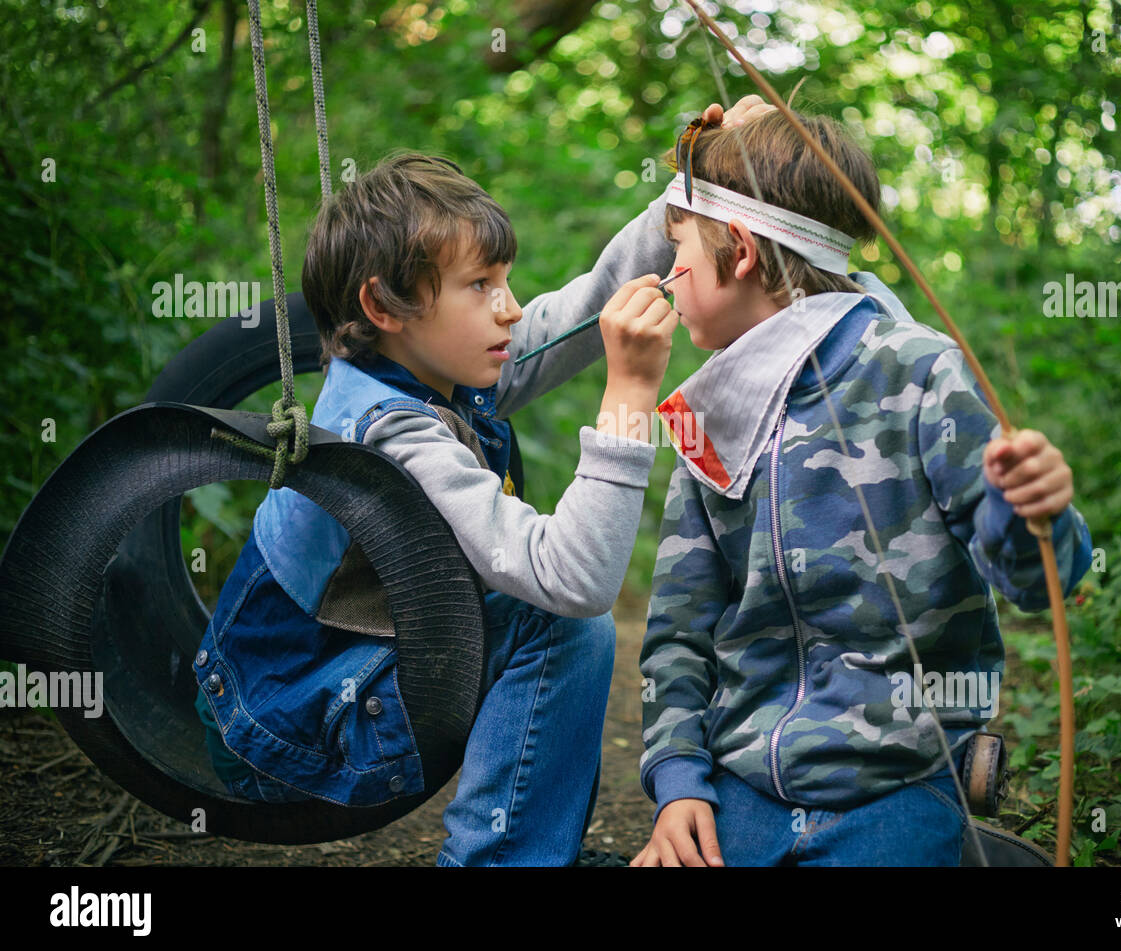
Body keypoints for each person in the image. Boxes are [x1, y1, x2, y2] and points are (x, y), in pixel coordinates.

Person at [194, 97, 770, 867]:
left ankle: (530, 849)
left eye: (505, 279)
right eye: (480, 286)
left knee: (544, 617)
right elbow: (574, 580)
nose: (509, 308)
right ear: (383, 305)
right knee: (557, 621)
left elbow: (589, 302)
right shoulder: (389, 434)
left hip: (312, 684)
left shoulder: (422, 362)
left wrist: (695, 185)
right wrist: (629, 398)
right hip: (286, 728)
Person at [632, 108, 1092, 867]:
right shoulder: (701, 414)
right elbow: (679, 630)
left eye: (676, 250)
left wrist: (1036, 507)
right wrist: (679, 783)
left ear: (740, 251)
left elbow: (1044, 582)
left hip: (896, 788)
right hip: (740, 790)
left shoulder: (917, 370)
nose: (662, 275)